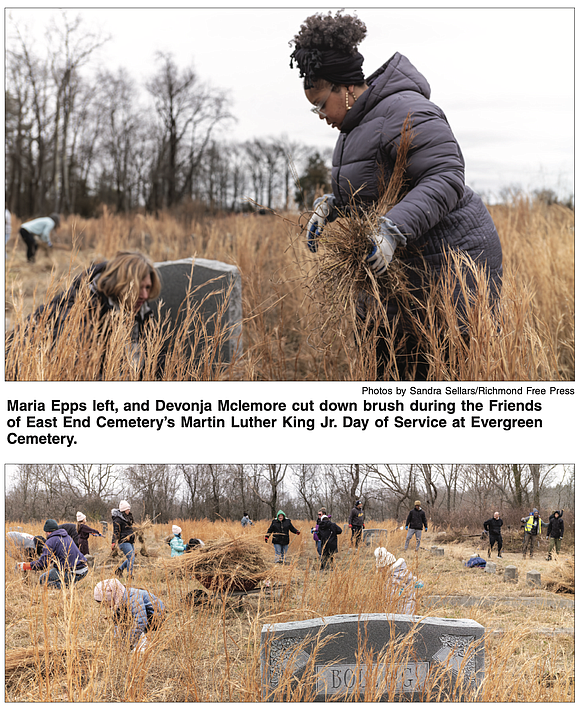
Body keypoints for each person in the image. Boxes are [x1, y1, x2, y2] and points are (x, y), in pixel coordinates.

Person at [290, 11, 503, 380]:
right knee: (387, 370)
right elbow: (380, 190)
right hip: (401, 268)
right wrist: (334, 209)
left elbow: (446, 174)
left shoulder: (405, 108)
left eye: (322, 103)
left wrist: (391, 231)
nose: (319, 114)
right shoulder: (354, 126)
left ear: (346, 88)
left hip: (449, 262)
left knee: (438, 376)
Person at [11, 250, 162, 379]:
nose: (144, 295)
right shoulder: (82, 307)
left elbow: (151, 356)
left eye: (148, 288)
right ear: (121, 285)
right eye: (138, 288)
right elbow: (73, 365)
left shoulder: (140, 311)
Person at [94, 578, 165, 653]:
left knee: (136, 622)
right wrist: (119, 643)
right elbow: (118, 624)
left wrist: (128, 643)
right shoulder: (119, 601)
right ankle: (135, 642)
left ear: (112, 597)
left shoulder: (133, 598)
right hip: (142, 615)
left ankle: (143, 644)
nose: (105, 607)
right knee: (123, 619)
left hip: (155, 615)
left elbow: (140, 622)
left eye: (105, 603)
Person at [18, 519, 89, 589]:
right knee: (55, 570)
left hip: (74, 572)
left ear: (48, 532)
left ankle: (68, 587)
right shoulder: (67, 536)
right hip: (84, 570)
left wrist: (25, 565)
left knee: (43, 579)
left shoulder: (50, 542)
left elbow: (42, 564)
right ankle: (69, 582)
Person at [112, 501, 136, 578]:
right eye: (127, 509)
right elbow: (115, 531)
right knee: (130, 557)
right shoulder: (118, 519)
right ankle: (129, 576)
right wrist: (113, 543)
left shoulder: (127, 518)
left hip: (130, 540)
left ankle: (119, 570)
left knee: (132, 557)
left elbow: (128, 529)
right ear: (123, 510)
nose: (129, 510)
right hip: (123, 541)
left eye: (129, 509)